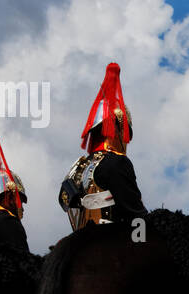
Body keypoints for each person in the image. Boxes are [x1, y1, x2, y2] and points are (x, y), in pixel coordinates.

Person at [59, 61, 147, 230]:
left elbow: (64, 201)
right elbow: (135, 214)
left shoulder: (79, 167)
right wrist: (146, 236)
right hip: (111, 240)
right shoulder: (117, 162)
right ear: (120, 132)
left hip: (80, 239)